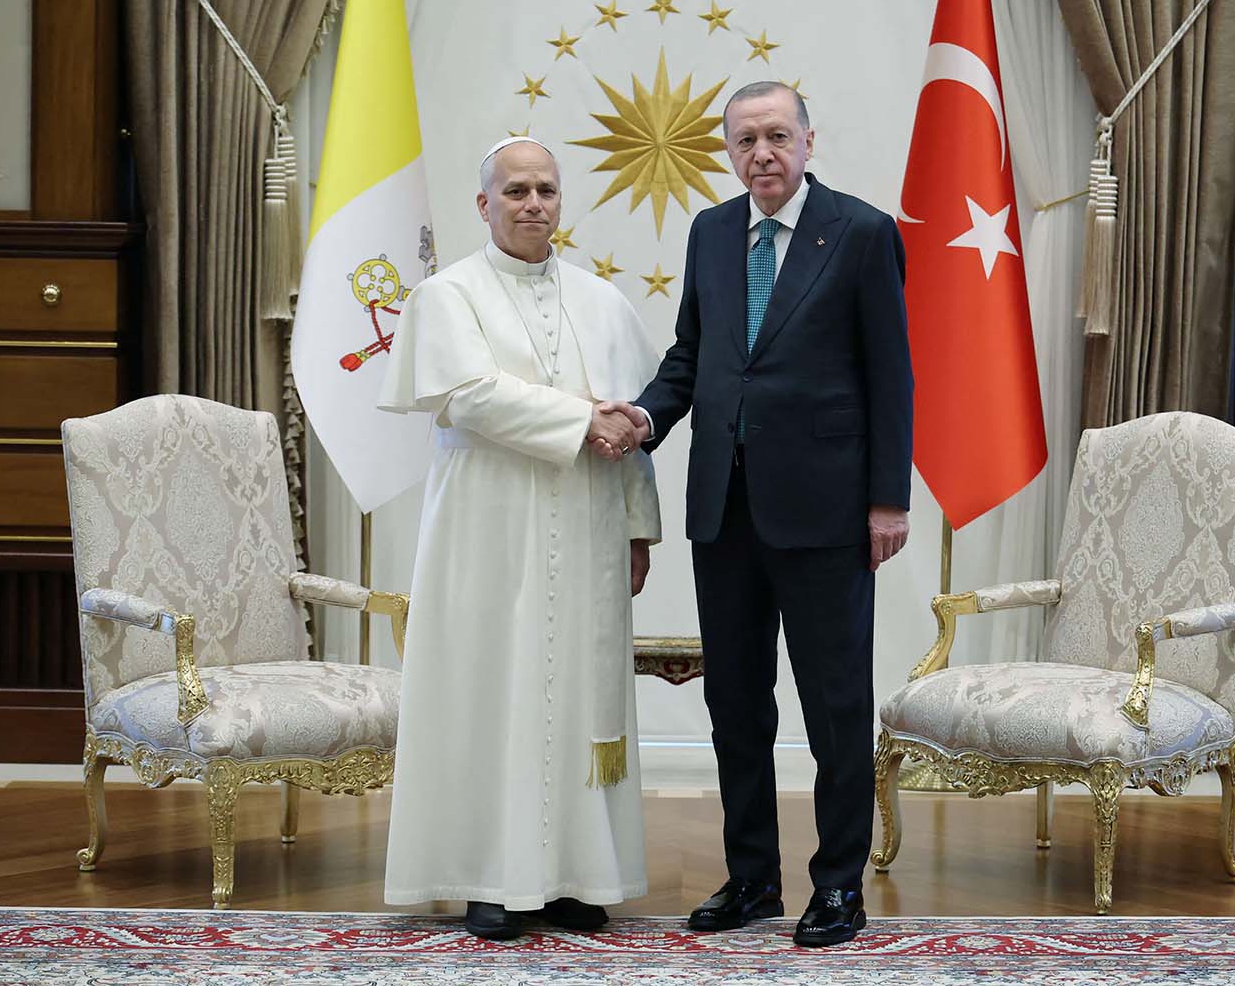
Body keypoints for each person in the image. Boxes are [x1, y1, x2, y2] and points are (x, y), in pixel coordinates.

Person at [601, 83, 913, 947]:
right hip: (725, 510)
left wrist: (889, 498)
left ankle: (839, 885)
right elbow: (693, 357)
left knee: (834, 705)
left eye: (778, 135)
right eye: (746, 140)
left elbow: (893, 374)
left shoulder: (859, 232)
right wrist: (646, 416)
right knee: (738, 705)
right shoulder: (709, 232)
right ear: (728, 150)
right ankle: (752, 878)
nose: (762, 153)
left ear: (809, 140)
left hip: (827, 513)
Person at [377, 137, 660, 941]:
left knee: (579, 693)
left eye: (545, 189)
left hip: (590, 519)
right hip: (486, 526)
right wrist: (583, 419)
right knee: (487, 690)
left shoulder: (605, 302)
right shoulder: (446, 295)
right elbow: (468, 395)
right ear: (484, 204)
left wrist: (639, 527)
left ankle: (578, 874)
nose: (533, 203)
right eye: (516, 191)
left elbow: (634, 419)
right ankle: (489, 875)